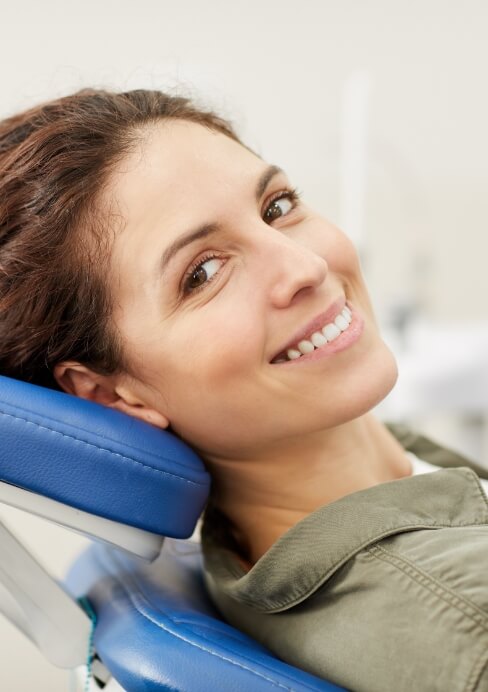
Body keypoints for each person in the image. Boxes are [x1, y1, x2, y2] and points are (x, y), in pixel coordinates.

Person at [1, 88, 488, 692]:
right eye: (202, 273)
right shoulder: (464, 622)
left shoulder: (267, 556)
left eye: (277, 206)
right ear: (110, 394)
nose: (304, 267)